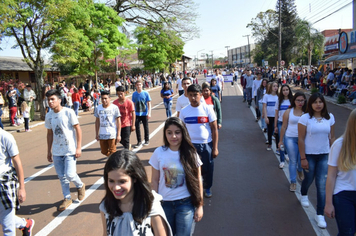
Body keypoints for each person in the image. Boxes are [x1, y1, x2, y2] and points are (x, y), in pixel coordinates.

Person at [150, 117, 204, 235]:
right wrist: (153, 205)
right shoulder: (158, 152)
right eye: (169, 133)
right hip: (164, 204)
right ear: (165, 134)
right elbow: (154, 180)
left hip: (185, 204)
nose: (173, 136)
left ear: (183, 133)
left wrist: (200, 205)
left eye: (177, 132)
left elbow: (198, 179)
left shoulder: (191, 153)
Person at [99, 150, 172, 236]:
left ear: (135, 179)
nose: (116, 187)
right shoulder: (105, 206)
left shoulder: (150, 205)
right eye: (111, 181)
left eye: (122, 181)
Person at [298, 92, 335, 229]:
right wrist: (303, 157)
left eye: (320, 102)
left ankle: (320, 214)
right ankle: (304, 193)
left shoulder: (330, 117)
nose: (318, 104)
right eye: (315, 102)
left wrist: (334, 155)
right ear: (310, 104)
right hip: (309, 154)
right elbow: (301, 139)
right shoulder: (305, 118)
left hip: (324, 155)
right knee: (308, 178)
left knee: (321, 184)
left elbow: (332, 137)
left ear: (324, 103)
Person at [45, 89, 86, 212]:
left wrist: (78, 147)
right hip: (57, 151)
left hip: (69, 150)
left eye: (52, 99)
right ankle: (67, 197)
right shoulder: (49, 115)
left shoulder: (68, 112)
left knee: (70, 174)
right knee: (62, 177)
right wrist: (49, 151)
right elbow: (49, 133)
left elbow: (78, 129)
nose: (50, 102)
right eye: (48, 100)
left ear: (59, 100)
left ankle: (80, 185)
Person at [179, 84, 219, 198]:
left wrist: (215, 148)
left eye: (195, 95)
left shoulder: (208, 109)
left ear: (200, 95)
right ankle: (193, 188)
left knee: (208, 168)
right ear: (187, 96)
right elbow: (181, 130)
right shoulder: (184, 111)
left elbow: (214, 129)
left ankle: (207, 187)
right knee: (190, 168)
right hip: (190, 145)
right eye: (190, 95)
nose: (193, 98)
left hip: (206, 144)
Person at [325, 109, 356, 235]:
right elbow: (331, 176)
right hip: (343, 194)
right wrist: (328, 203)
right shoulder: (339, 145)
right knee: (347, 232)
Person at [0, 128, 35, 235]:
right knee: (5, 218)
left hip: (4, 185)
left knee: (7, 227)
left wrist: (22, 188)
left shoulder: (5, 137)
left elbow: (17, 162)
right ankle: (25, 224)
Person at [278, 92, 306, 192]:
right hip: (290, 138)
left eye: (302, 100)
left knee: (300, 160)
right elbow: (284, 126)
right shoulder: (289, 111)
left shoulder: (307, 112)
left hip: (303, 139)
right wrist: (281, 140)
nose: (300, 102)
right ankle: (293, 182)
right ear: (294, 101)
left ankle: (299, 170)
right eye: (298, 100)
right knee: (293, 161)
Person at [95, 91, 121, 157]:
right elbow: (97, 121)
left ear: (109, 98)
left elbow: (118, 121)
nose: (104, 100)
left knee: (113, 151)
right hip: (102, 133)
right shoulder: (98, 108)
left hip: (111, 133)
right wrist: (96, 134)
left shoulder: (114, 108)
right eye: (102, 98)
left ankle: (113, 164)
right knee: (104, 151)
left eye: (105, 98)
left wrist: (118, 135)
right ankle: (113, 158)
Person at [274, 84, 293, 167]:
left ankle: (286, 154)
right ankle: (282, 160)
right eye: (284, 90)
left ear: (289, 91)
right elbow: (276, 114)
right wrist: (275, 126)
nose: (285, 91)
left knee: (288, 141)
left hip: (290, 124)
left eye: (287, 90)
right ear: (281, 91)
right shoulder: (279, 100)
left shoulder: (292, 101)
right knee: (281, 142)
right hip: (280, 123)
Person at [132, 79, 151, 147]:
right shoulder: (134, 94)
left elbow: (149, 103)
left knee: (145, 127)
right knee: (137, 127)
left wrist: (149, 113)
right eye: (137, 85)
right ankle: (139, 141)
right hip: (137, 113)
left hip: (144, 113)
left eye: (140, 85)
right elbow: (133, 104)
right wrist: (133, 114)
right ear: (135, 86)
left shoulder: (146, 93)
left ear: (142, 85)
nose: (138, 86)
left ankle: (146, 140)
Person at [263, 82, 279, 151]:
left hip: (277, 116)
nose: (275, 87)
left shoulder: (278, 96)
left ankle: (278, 147)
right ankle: (270, 143)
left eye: (277, 86)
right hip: (269, 115)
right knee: (270, 130)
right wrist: (265, 116)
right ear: (271, 87)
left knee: (277, 131)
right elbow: (264, 107)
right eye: (274, 86)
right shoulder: (266, 96)